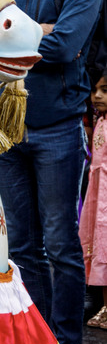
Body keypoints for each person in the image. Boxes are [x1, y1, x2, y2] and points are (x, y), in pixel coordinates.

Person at [0, 0, 103, 344]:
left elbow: (66, 48)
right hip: (6, 127)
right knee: (21, 247)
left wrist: (10, 32)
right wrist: (39, 31)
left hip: (56, 127)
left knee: (60, 245)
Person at [79, 74, 107, 327]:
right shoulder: (100, 120)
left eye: (105, 91)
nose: (97, 96)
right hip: (97, 193)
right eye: (95, 90)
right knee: (97, 243)